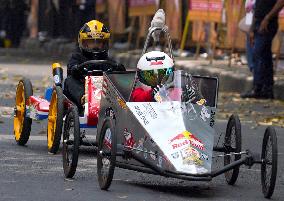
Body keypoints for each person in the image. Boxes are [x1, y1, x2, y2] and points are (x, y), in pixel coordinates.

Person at [63, 20, 125, 113]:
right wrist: (76, 68)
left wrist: (119, 68)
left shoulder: (107, 60)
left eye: (99, 42)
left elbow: (119, 70)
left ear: (104, 44)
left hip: (104, 94)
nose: (95, 45)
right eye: (92, 42)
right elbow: (71, 67)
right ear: (84, 43)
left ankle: (121, 104)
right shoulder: (77, 57)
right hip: (82, 89)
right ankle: (84, 99)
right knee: (70, 80)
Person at [241, 0, 284, 99]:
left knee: (258, 53)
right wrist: (251, 28)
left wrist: (267, 18)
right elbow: (255, 8)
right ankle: (267, 89)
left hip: (268, 23)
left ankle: (258, 88)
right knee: (264, 55)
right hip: (257, 22)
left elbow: (281, 2)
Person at [130, 51, 204, 104]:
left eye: (162, 75)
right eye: (151, 76)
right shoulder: (138, 93)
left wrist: (194, 97)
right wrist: (152, 94)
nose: (157, 81)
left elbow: (202, 106)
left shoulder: (177, 90)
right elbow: (136, 98)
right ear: (140, 77)